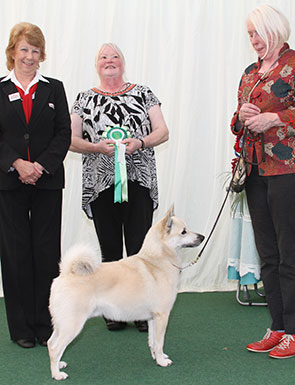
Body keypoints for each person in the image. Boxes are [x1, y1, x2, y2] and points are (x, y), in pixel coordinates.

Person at [70, 43, 169, 332]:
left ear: (123, 64)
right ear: (96, 65)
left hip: (139, 179)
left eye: (115, 57)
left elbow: (163, 131)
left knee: (141, 247)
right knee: (110, 248)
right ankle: (112, 309)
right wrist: (96, 148)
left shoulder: (144, 92)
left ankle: (141, 309)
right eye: (103, 57)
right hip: (100, 183)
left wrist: (140, 143)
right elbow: (71, 139)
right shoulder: (83, 98)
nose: (109, 61)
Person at [230, 4, 295, 359]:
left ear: (274, 30)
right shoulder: (249, 73)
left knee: (291, 253)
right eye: (249, 35)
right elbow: (237, 122)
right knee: (268, 254)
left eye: (257, 33)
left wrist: (276, 117)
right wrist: (241, 116)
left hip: (289, 171)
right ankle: (278, 326)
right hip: (256, 171)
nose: (253, 41)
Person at [0, 22, 71, 348]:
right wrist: (17, 163)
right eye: (24, 49)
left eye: (35, 50)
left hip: (47, 182)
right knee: (15, 255)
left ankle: (46, 326)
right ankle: (22, 329)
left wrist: (41, 166)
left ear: (42, 54)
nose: (29, 56)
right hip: (9, 183)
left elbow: (63, 133)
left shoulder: (53, 88)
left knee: (46, 254)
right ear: (12, 52)